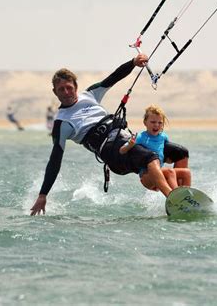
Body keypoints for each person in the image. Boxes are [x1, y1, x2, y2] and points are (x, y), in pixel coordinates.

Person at [30, 53, 189, 216]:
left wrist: (133, 62)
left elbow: (113, 77)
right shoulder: (61, 123)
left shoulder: (90, 94)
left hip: (126, 140)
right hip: (112, 153)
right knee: (151, 157)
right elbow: (54, 160)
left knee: (181, 153)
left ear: (75, 86)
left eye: (69, 87)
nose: (66, 92)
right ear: (55, 92)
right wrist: (43, 195)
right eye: (61, 89)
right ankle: (173, 200)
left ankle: (186, 198)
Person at [120, 104, 191, 194]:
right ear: (145, 122)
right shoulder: (140, 137)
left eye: (160, 123)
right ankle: (176, 196)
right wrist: (129, 145)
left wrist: (168, 159)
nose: (156, 125)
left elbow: (164, 151)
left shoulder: (163, 137)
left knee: (186, 173)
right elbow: (121, 151)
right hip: (146, 176)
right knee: (170, 172)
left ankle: (187, 196)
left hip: (160, 172)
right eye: (153, 122)